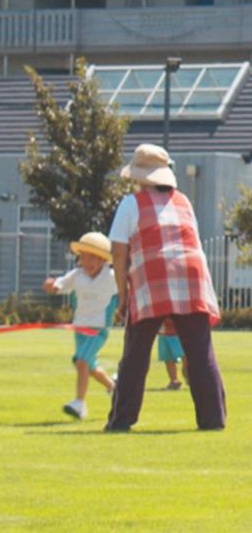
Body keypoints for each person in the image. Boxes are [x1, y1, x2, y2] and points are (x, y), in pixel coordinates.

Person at [105, 143, 226, 432]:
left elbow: (118, 252)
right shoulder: (183, 201)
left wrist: (123, 297)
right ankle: (213, 420)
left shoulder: (131, 203)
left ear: (139, 177)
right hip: (192, 277)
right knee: (199, 351)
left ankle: (122, 420)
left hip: (152, 278)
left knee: (136, 352)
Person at [43, 232, 118, 420]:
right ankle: (113, 388)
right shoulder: (77, 276)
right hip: (80, 329)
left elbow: (129, 285)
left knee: (82, 361)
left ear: (103, 260)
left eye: (93, 258)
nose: (88, 262)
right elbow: (59, 286)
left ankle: (79, 403)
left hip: (98, 330)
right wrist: (51, 286)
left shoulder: (111, 278)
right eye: (84, 257)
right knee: (88, 366)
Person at [157, 317, 188, 390]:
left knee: (185, 357)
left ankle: (190, 378)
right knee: (168, 358)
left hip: (178, 331)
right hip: (163, 332)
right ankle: (174, 381)